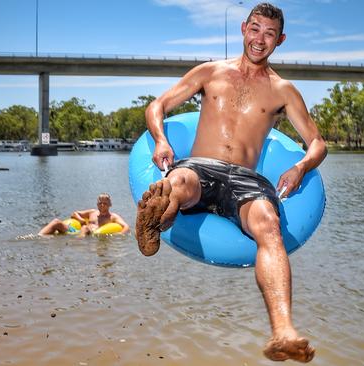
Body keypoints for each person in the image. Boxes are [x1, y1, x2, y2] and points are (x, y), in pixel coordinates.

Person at [135, 3, 326, 363]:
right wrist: (161, 139)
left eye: (270, 34)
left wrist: (301, 166)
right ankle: (154, 223)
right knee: (179, 184)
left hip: (245, 179)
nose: (260, 39)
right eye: (255, 29)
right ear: (243, 28)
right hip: (200, 166)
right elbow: (157, 106)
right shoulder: (210, 73)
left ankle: (283, 332)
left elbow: (317, 142)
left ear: (280, 40)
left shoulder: (283, 91)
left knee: (269, 224)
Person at [39, 193, 130, 236]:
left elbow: (126, 227)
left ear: (110, 204)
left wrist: (119, 235)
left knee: (85, 228)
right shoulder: (92, 212)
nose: (102, 205)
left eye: (105, 203)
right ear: (97, 204)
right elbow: (75, 213)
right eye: (100, 203)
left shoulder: (113, 217)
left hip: (90, 233)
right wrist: (81, 220)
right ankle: (38, 237)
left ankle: (79, 244)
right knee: (56, 222)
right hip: (76, 231)